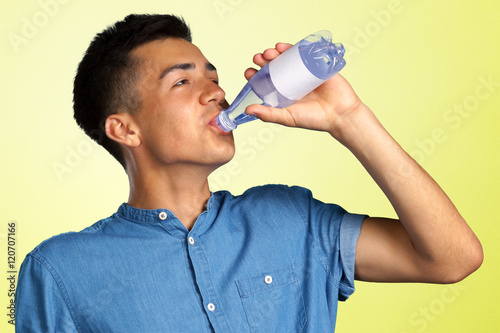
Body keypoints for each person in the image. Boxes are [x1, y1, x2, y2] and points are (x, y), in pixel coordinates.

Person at [15, 14, 483, 332]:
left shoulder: (290, 218)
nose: (216, 93)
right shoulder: (59, 270)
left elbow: (452, 259)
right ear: (125, 129)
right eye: (182, 81)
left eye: (214, 78)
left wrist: (349, 117)